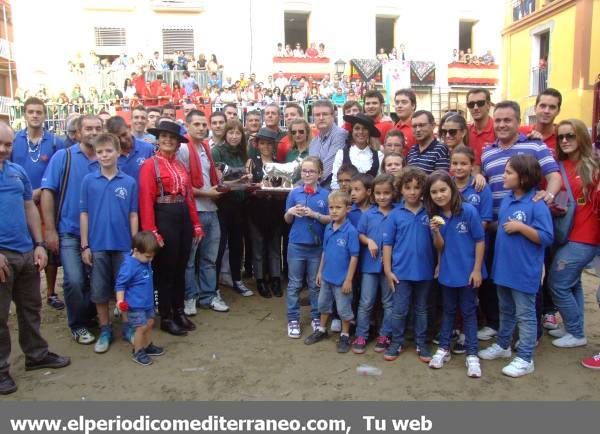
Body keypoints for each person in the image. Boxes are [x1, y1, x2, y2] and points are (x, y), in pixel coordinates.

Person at [478, 101, 561, 342]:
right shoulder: (488, 151)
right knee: (497, 279)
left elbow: (553, 176)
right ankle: (499, 327)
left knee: (527, 283)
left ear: (518, 122)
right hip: (496, 225)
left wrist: (549, 195)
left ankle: (530, 335)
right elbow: (484, 177)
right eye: (499, 120)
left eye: (508, 120)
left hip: (526, 227)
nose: (502, 125)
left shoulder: (534, 145)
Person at [0, 122, 70, 395]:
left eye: (7, 144)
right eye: (0, 144)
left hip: (25, 251)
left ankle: (36, 354)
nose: (4, 149)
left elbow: (30, 206)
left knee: (30, 307)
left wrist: (39, 243)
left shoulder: (17, 172)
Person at [478, 154, 553, 377]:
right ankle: (503, 345)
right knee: (506, 310)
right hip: (503, 269)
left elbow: (547, 237)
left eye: (509, 172)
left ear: (524, 177)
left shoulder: (537, 204)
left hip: (524, 271)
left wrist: (522, 228)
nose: (504, 175)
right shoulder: (509, 199)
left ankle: (525, 358)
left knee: (526, 315)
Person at [41, 115, 103, 345]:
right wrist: (49, 230)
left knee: (95, 279)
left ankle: (90, 316)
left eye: (98, 128)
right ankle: (77, 324)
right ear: (78, 132)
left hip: (98, 233)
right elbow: (48, 192)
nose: (93, 132)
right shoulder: (63, 157)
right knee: (74, 280)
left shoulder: (105, 158)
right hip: (68, 231)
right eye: (89, 128)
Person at [138, 121, 204, 336]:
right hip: (164, 216)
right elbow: (146, 200)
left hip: (182, 215)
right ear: (158, 139)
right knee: (166, 269)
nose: (168, 140)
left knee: (181, 267)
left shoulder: (179, 166)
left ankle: (179, 310)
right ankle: (166, 316)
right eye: (164, 136)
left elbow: (189, 198)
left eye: (172, 138)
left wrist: (195, 223)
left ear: (178, 143)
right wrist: (152, 231)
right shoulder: (150, 165)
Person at [79, 133, 138, 353]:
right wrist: (85, 245)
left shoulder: (129, 182)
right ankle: (105, 329)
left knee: (124, 289)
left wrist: (133, 244)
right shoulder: (89, 181)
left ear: (118, 153)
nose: (104, 155)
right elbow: (84, 213)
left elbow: (133, 214)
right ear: (96, 154)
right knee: (99, 290)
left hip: (123, 245)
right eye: (100, 152)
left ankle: (127, 326)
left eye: (109, 151)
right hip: (98, 246)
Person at [425, 171, 485, 378]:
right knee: (449, 311)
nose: (439, 195)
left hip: (468, 272)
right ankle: (443, 349)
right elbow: (440, 247)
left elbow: (479, 240)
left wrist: (477, 269)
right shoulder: (435, 217)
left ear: (452, 188)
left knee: (468, 312)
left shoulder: (468, 211)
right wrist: (435, 232)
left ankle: (472, 354)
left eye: (443, 190)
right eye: (434, 192)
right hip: (448, 271)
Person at [10, 97, 65, 311]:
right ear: (24, 114)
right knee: (23, 247)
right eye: (31, 111)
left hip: (46, 203)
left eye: (39, 112)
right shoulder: (14, 141)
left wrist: (41, 191)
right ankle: (24, 292)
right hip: (19, 203)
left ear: (44, 115)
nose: (34, 115)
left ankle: (50, 292)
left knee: (49, 246)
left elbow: (59, 173)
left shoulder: (54, 142)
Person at [548, 119, 600, 348]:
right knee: (572, 284)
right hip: (564, 232)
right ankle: (572, 325)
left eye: (570, 135)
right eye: (561, 137)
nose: (565, 140)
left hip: (585, 237)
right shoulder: (559, 164)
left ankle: (577, 333)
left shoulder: (593, 166)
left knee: (557, 283)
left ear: (581, 137)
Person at [382, 167, 434, 363]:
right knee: (399, 310)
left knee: (422, 309)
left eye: (417, 187)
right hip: (400, 273)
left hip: (425, 271)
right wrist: (388, 270)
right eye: (408, 187)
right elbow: (387, 244)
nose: (412, 191)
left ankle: (422, 342)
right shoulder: (395, 215)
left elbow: (438, 244)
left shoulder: (430, 212)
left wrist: (437, 265)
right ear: (400, 189)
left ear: (423, 190)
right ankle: (397, 342)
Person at [180, 110, 228, 315]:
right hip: (194, 210)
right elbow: (181, 184)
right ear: (188, 126)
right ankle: (190, 297)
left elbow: (211, 180)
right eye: (196, 124)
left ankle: (207, 296)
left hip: (211, 209)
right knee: (190, 259)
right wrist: (206, 192)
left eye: (203, 124)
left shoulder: (205, 148)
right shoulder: (183, 149)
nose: (201, 128)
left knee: (210, 258)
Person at [304, 190, 359, 353]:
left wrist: (349, 279)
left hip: (342, 280)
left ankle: (345, 334)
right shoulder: (328, 227)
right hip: (327, 277)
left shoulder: (351, 231)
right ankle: (321, 329)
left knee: (343, 309)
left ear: (347, 209)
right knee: (323, 304)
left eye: (338, 207)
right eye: (331, 207)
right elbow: (325, 252)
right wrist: (320, 272)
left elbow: (354, 257)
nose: (334, 211)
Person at [284, 156, 331, 338]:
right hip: (296, 245)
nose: (308, 174)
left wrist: (314, 214)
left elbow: (330, 219)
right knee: (294, 284)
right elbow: (287, 220)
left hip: (316, 247)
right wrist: (290, 212)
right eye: (304, 171)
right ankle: (293, 318)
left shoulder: (326, 195)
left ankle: (316, 316)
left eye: (312, 171)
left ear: (320, 173)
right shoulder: (294, 193)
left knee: (315, 284)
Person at [352, 174, 395, 354]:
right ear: (373, 194)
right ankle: (361, 334)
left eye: (386, 193)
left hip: (390, 268)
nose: (382, 197)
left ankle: (384, 334)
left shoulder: (398, 212)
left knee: (388, 302)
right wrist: (368, 240)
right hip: (369, 265)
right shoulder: (369, 214)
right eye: (378, 193)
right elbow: (360, 233)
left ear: (394, 193)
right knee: (366, 301)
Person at [211, 119, 254, 297]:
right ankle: (213, 287)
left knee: (238, 244)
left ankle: (237, 279)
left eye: (238, 133)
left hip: (240, 204)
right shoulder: (217, 151)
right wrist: (240, 178)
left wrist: (248, 179)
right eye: (231, 132)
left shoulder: (244, 153)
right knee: (219, 246)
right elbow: (218, 181)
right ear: (225, 134)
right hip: (222, 204)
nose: (234, 136)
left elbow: (246, 179)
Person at [115, 231, 164, 366]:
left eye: (152, 256)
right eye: (148, 256)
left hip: (147, 302)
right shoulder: (129, 265)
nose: (150, 260)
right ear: (136, 251)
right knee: (141, 327)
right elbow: (120, 284)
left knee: (150, 324)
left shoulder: (144, 260)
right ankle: (138, 351)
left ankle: (148, 346)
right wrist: (120, 300)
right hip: (135, 305)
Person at [246, 128, 284, 298]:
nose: (266, 146)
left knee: (275, 246)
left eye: (269, 143)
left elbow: (284, 186)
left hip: (275, 210)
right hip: (256, 210)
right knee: (258, 247)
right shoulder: (252, 163)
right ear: (257, 145)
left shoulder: (279, 164)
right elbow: (247, 187)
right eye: (263, 143)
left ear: (274, 145)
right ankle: (260, 279)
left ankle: (276, 278)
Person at [331, 113, 383, 189]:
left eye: (364, 128)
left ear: (369, 132)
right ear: (352, 131)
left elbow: (380, 182)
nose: (361, 132)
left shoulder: (379, 155)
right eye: (357, 128)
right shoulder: (341, 154)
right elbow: (335, 182)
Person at [309, 100, 348, 188]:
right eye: (317, 115)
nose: (321, 118)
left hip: (332, 189)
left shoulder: (340, 135)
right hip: (314, 186)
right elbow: (308, 168)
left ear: (333, 116)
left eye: (325, 114)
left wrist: (307, 181)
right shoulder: (313, 142)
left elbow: (327, 169)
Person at [105, 116, 155, 181]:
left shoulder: (148, 149)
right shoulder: (110, 156)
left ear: (129, 128)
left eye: (124, 134)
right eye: (117, 138)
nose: (122, 140)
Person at [466, 88, 495, 167]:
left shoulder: (499, 128)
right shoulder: (466, 132)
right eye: (471, 104)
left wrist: (532, 132)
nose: (475, 107)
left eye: (480, 103)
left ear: (488, 105)